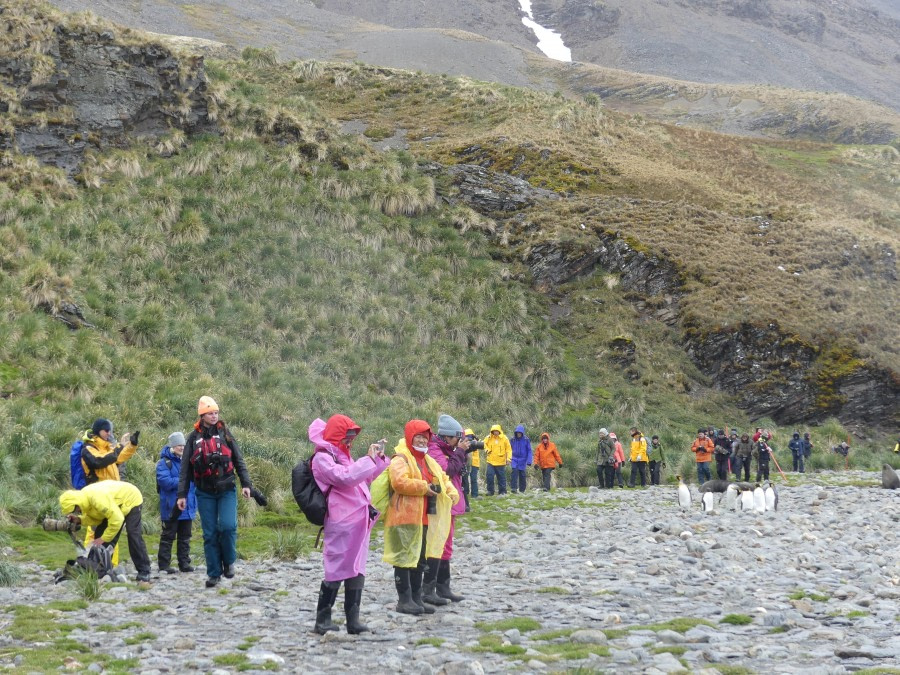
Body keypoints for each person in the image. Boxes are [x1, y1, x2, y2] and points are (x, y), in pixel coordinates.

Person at [309, 414, 388, 635]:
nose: (350, 442)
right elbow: (345, 478)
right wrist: (368, 460)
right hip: (341, 522)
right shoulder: (322, 459)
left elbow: (363, 479)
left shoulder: (344, 456)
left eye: (352, 437)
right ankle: (322, 619)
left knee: (356, 568)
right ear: (336, 435)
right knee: (335, 569)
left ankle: (353, 620)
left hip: (360, 520)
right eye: (346, 437)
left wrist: (378, 460)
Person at [177, 396, 254, 588]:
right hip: (204, 492)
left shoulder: (225, 433)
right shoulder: (193, 438)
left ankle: (228, 561)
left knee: (228, 527)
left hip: (227, 488)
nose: (214, 416)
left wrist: (246, 483)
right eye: (210, 413)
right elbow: (185, 469)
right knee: (209, 533)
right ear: (202, 415)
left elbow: (238, 459)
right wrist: (182, 494)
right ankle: (213, 573)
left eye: (216, 412)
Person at [383, 420, 458, 615]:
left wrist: (451, 492)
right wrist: (424, 487)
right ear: (409, 437)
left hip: (423, 518)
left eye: (425, 438)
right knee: (403, 559)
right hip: (404, 517)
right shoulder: (401, 459)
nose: (423, 441)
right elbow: (399, 482)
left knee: (419, 560)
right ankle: (404, 600)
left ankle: (416, 599)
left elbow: (443, 477)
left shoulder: (428, 461)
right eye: (419, 437)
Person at [59, 480, 151, 582]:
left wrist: (104, 538)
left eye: (75, 509)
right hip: (115, 507)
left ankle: (144, 571)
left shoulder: (97, 499)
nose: (76, 512)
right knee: (99, 536)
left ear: (77, 503)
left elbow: (117, 519)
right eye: (73, 512)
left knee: (133, 535)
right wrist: (80, 520)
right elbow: (97, 518)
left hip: (131, 499)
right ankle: (99, 570)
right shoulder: (84, 500)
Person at [81, 418, 140, 567]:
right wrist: (119, 446)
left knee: (112, 531)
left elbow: (118, 457)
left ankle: (109, 565)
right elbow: (100, 461)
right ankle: (88, 562)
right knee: (94, 532)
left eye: (110, 430)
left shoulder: (107, 449)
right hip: (96, 499)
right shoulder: (88, 449)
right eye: (106, 430)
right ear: (98, 431)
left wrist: (131, 445)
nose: (109, 433)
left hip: (111, 498)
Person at [425, 414, 469, 605]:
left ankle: (443, 588)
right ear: (447, 436)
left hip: (449, 503)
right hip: (440, 504)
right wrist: (459, 451)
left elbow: (456, 470)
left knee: (446, 543)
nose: (459, 441)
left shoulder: (447, 448)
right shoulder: (434, 449)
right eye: (457, 438)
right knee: (438, 542)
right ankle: (430, 589)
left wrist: (461, 454)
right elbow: (446, 471)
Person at [156, 432, 196, 574]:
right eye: (179, 445)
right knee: (168, 536)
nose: (182, 447)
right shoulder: (164, 463)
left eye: (183, 445)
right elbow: (164, 482)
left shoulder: (190, 462)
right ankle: (164, 565)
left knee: (185, 537)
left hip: (188, 507)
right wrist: (183, 482)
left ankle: (184, 564)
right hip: (171, 507)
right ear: (172, 446)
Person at [484, 424, 511, 496]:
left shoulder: (505, 438)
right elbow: (484, 444)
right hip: (490, 461)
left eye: (496, 431)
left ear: (499, 431)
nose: (495, 432)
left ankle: (502, 491)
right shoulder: (488, 438)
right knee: (489, 476)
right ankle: (490, 491)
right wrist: (487, 450)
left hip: (501, 462)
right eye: (494, 431)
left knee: (501, 477)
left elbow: (509, 449)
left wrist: (508, 459)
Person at [509, 425, 533, 494]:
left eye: (520, 433)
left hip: (523, 460)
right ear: (515, 432)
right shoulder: (512, 439)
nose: (518, 434)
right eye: (517, 432)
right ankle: (513, 488)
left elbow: (529, 450)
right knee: (514, 473)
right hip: (514, 459)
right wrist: (508, 458)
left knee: (522, 474)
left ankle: (522, 490)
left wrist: (529, 460)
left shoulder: (526, 440)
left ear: (522, 433)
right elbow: (508, 449)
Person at [463, 428, 481, 503]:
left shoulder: (476, 443)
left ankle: (475, 494)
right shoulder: (464, 444)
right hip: (466, 463)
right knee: (465, 478)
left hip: (474, 463)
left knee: (473, 479)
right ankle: (466, 493)